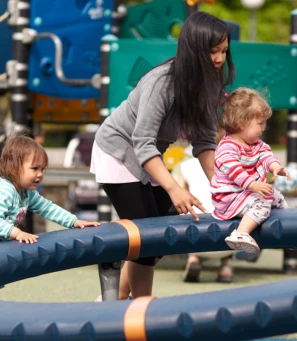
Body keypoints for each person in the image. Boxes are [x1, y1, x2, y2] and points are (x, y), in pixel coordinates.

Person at [91, 11, 235, 300]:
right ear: (194, 50)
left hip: (148, 157)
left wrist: (224, 187)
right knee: (147, 238)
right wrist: (174, 188)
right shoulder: (162, 83)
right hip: (119, 153)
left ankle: (110, 304)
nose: (220, 59)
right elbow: (142, 143)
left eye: (224, 51)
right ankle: (142, 308)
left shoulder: (208, 85)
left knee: (163, 236)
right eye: (213, 51)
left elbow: (205, 143)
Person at [0, 135, 100, 274]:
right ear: (14, 168)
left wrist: (74, 222)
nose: (40, 174)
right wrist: (17, 233)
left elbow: (47, 208)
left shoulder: (27, 193)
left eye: (43, 169)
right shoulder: (5, 191)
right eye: (34, 168)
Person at [211, 87, 290, 255]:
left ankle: (289, 228)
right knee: (262, 203)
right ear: (241, 123)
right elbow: (234, 171)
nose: (263, 129)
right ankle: (241, 233)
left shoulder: (256, 144)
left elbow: (266, 156)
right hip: (229, 197)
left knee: (277, 197)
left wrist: (275, 167)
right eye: (260, 124)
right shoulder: (227, 147)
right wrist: (253, 185)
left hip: (247, 192)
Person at [172, 146, 235, 283]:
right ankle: (226, 266)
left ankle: (193, 258)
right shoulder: (232, 165)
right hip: (229, 238)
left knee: (189, 214)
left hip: (194, 238)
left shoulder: (184, 165)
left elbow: (178, 199)